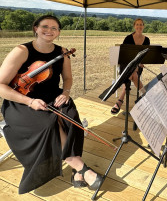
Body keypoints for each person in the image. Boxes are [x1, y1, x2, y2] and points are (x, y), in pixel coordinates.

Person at [0, 15, 102, 194]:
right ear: (36, 28)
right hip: (21, 101)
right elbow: (1, 85)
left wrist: (66, 92)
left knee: (71, 117)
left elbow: (68, 79)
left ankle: (77, 171)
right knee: (48, 124)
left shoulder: (62, 52)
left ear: (59, 32)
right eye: (45, 27)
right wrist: (29, 101)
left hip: (53, 96)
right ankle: (81, 168)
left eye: (54, 28)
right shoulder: (22, 51)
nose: (49, 30)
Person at [111, 18, 150, 114]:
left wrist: (141, 63)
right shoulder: (128, 38)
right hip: (126, 65)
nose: (139, 26)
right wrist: (133, 65)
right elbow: (123, 55)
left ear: (143, 26)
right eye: (137, 24)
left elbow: (145, 56)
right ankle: (146, 97)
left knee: (133, 74)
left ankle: (120, 100)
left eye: (141, 24)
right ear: (134, 26)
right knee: (133, 74)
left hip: (138, 66)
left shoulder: (147, 40)